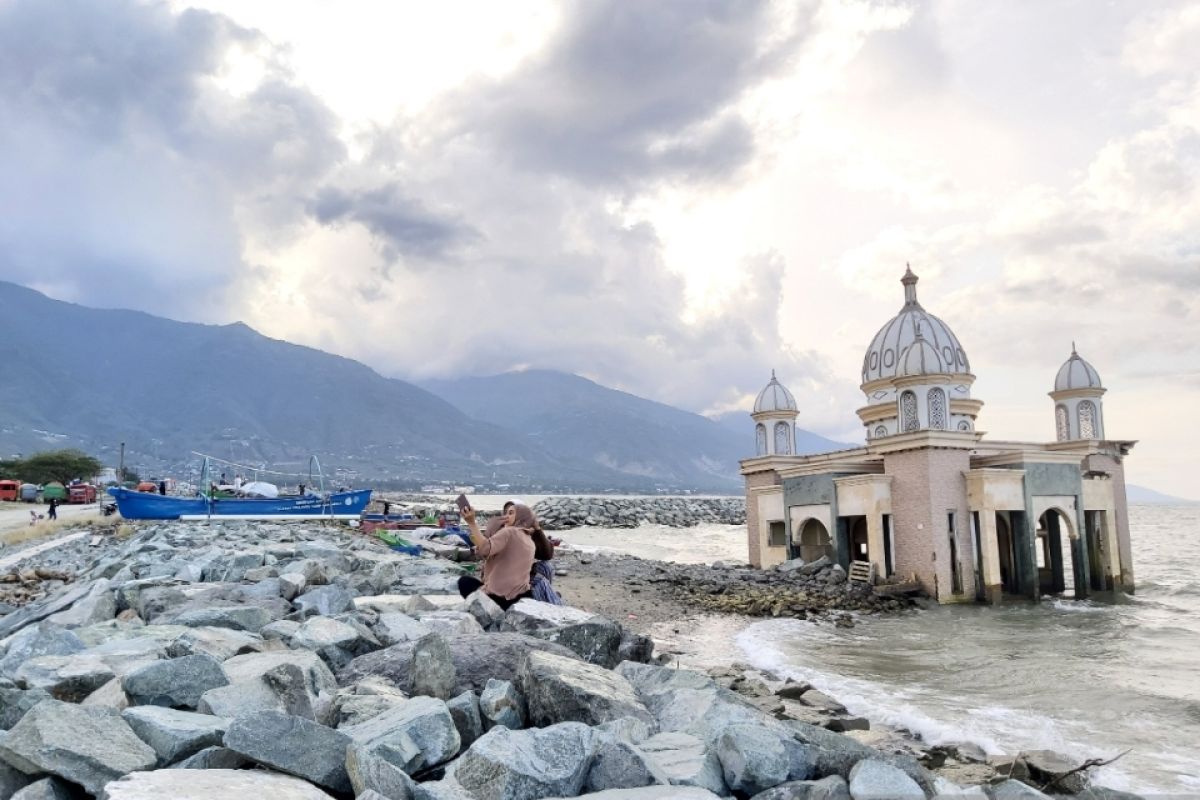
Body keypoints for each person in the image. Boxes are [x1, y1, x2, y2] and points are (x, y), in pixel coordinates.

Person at [458, 503, 538, 610]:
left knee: (464, 582)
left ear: (521, 517)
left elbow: (485, 549)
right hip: (522, 596)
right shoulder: (529, 540)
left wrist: (471, 522)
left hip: (500, 598)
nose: (506, 516)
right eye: (506, 513)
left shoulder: (510, 531)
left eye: (511, 513)